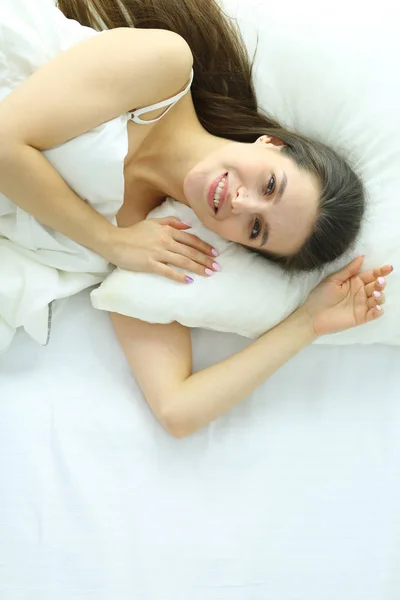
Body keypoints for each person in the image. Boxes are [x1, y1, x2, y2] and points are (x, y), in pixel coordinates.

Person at [0, 0, 392, 437]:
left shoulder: (158, 242)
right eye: (269, 186)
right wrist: (109, 243)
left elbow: (177, 409)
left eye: (256, 230)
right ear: (271, 143)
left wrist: (307, 324)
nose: (241, 203)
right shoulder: (164, 69)